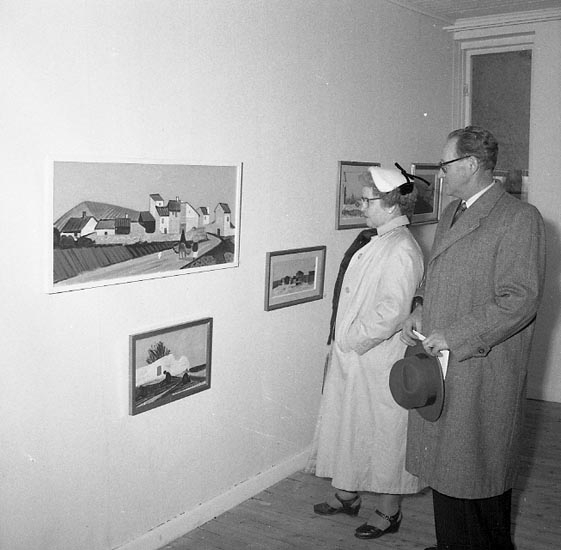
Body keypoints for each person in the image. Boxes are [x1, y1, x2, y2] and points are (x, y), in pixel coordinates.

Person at [401, 126, 546, 550]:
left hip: (481, 367)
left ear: (470, 164)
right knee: (449, 472)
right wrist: (420, 305)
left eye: (445, 164)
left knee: (478, 476)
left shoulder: (519, 218)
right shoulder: (452, 211)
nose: (440, 172)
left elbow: (520, 299)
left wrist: (455, 334)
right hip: (444, 364)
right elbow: (437, 273)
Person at [306, 166, 425, 540]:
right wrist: (342, 341)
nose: (360, 206)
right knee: (352, 427)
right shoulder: (379, 240)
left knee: (384, 434)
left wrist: (352, 340)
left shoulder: (402, 247)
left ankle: (389, 511)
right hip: (358, 357)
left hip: (378, 358)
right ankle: (347, 495)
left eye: (366, 200)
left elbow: (392, 311)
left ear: (390, 204)